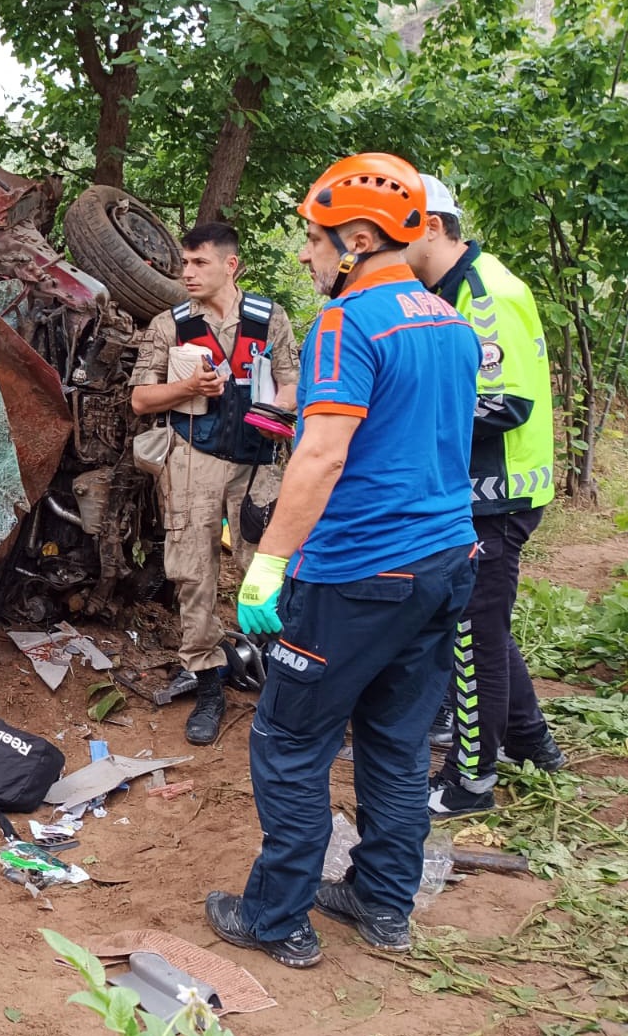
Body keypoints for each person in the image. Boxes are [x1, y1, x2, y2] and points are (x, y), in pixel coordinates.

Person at [205, 154, 480, 967]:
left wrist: (268, 561)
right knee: (395, 742)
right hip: (442, 564)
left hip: (359, 570)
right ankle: (383, 900)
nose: (305, 255)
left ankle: (277, 917)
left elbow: (322, 458)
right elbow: (415, 437)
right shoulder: (449, 322)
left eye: (315, 240)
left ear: (357, 239)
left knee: (289, 742)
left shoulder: (344, 324)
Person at [405, 174, 565, 815]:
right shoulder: (447, 290)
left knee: (471, 635)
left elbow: (505, 403)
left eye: (399, 229)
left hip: (497, 494)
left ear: (433, 227)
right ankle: (532, 741)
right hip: (478, 491)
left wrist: (402, 411)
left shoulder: (484, 291)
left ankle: (471, 782)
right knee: (486, 628)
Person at [129, 222, 297, 745]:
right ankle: (208, 686)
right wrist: (187, 387)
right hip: (191, 461)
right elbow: (139, 399)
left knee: (265, 571)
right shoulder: (169, 325)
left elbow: (293, 384)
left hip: (257, 465)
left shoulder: (270, 320)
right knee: (192, 575)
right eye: (184, 262)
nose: (187, 272)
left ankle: (281, 687)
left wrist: (275, 409)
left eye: (199, 263)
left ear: (231, 265)